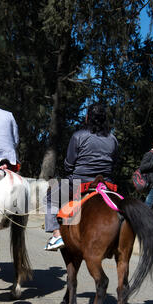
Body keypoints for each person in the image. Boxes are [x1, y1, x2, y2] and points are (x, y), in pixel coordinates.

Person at [44, 103, 118, 251]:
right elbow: (114, 163)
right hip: (106, 184)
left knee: (51, 196)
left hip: (80, 183)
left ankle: (56, 233)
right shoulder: (113, 139)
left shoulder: (78, 136)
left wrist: (69, 171)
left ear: (87, 118)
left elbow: (69, 164)